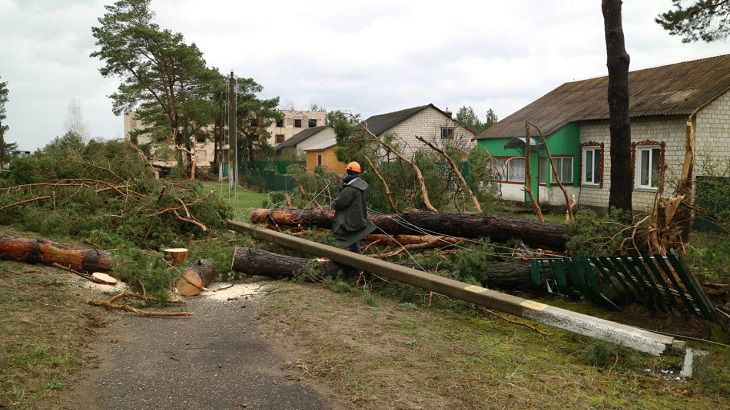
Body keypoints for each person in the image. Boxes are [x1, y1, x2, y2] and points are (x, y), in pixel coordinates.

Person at [331, 161, 376, 253]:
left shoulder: (351, 188)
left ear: (348, 172)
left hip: (349, 221)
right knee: (354, 242)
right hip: (358, 219)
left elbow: (339, 203)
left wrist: (336, 199)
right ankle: (357, 263)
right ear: (358, 172)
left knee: (338, 241)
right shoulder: (362, 185)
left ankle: (341, 261)